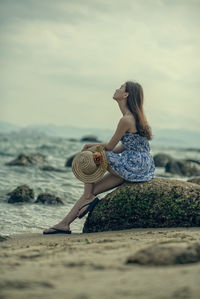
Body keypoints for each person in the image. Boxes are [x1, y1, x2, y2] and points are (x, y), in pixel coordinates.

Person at [43, 81, 155, 234]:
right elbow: (120, 148)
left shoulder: (126, 120)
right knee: (93, 188)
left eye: (121, 87)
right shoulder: (134, 118)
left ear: (125, 95)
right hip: (138, 167)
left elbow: (108, 148)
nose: (117, 88)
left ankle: (88, 196)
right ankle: (64, 224)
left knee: (94, 156)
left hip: (133, 166)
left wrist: (91, 147)